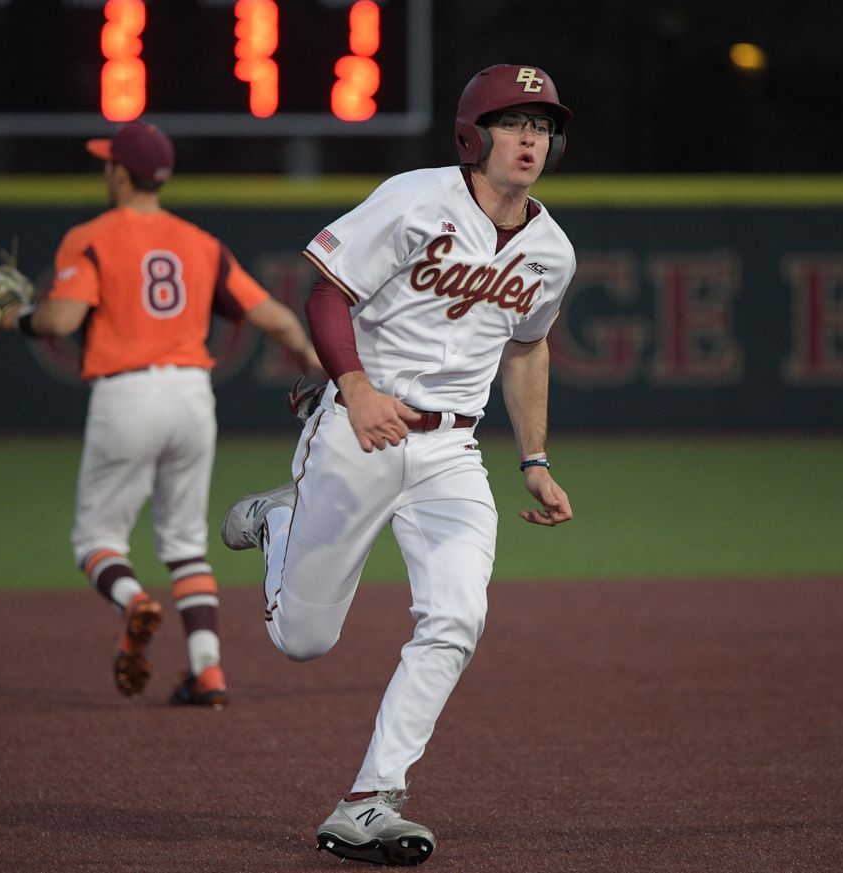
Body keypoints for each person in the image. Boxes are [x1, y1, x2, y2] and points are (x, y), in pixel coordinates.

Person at [221, 64, 576, 865]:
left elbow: (527, 350)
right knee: (303, 640)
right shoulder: (416, 197)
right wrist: (353, 386)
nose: (530, 139)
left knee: (457, 614)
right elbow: (326, 293)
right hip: (360, 429)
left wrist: (534, 458)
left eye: (544, 126)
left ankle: (370, 798)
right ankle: (281, 519)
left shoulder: (552, 251)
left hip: (453, 451)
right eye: (514, 122)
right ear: (474, 133)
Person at [0, 120, 321, 708]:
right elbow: (275, 318)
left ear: (120, 172)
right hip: (192, 396)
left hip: (126, 394)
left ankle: (133, 601)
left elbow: (61, 320)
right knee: (186, 543)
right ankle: (208, 671)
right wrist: (319, 366)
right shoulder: (200, 242)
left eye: (109, 163)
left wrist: (13, 318)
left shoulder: (91, 236)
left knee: (96, 539)